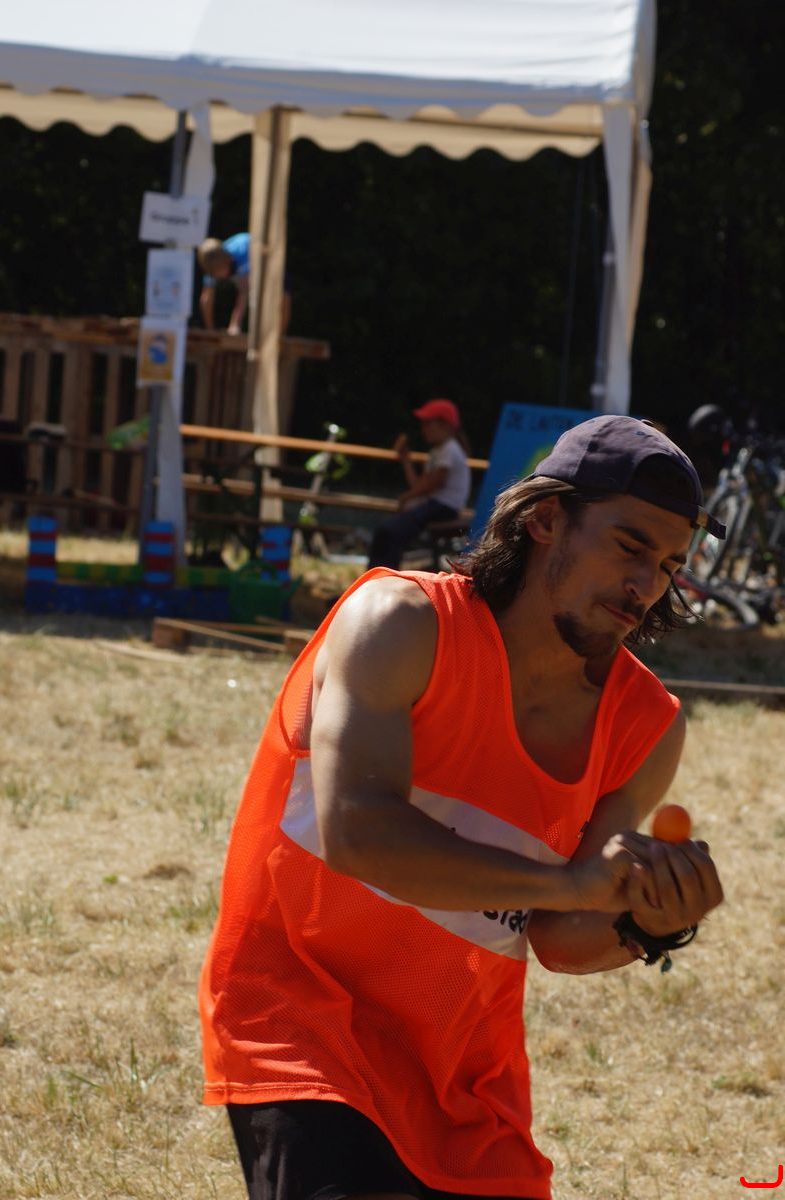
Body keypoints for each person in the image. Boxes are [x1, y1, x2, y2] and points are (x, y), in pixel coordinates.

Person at [199, 414, 726, 1200]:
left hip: (465, 1079)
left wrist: (647, 922)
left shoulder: (646, 727)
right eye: (630, 547)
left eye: (669, 565)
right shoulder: (400, 623)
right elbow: (359, 834)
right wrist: (572, 885)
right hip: (302, 1020)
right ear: (546, 519)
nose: (648, 585)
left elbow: (559, 936)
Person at [367, 397, 472, 569]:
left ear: (445, 425)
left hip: (443, 507)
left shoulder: (449, 449)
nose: (423, 428)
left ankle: (382, 574)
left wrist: (405, 498)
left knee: (389, 532)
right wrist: (406, 460)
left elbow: (433, 484)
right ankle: (381, 573)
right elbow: (419, 486)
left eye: (428, 423)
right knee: (388, 532)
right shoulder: (439, 451)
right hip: (435, 506)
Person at [197, 233, 292, 335]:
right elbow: (206, 298)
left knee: (283, 296)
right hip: (245, 269)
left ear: (228, 260)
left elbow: (244, 291)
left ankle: (279, 336)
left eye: (220, 273)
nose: (219, 278)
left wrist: (234, 325)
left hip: (268, 262)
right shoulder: (212, 263)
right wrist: (211, 332)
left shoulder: (242, 253)